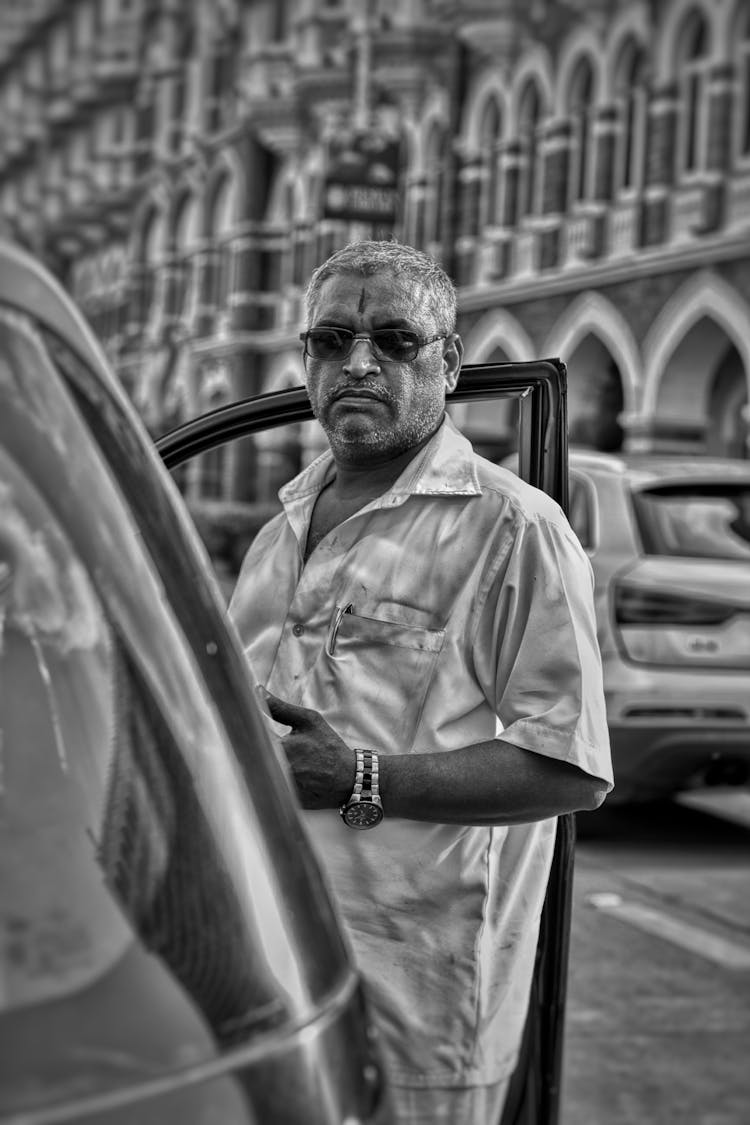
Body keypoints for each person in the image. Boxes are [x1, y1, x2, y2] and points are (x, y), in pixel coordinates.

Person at [228, 240, 612, 1124]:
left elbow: (572, 768)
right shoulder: (282, 523)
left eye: (395, 341)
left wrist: (363, 777)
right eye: (331, 340)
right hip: (271, 966)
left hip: (420, 997)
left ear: (448, 361)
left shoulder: (513, 527)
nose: (358, 363)